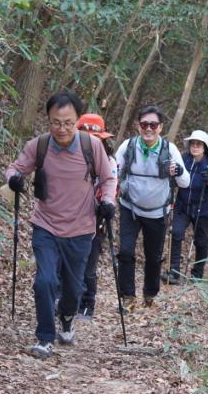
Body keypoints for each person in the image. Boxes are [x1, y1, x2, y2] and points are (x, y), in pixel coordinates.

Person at [5, 91, 116, 359]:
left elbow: (108, 178)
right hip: (46, 225)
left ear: (77, 120)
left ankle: (67, 318)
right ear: (48, 120)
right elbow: (15, 168)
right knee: (44, 281)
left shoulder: (91, 146)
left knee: (73, 289)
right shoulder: (39, 146)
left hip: (81, 230)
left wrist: (108, 201)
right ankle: (45, 337)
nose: (62, 128)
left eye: (68, 123)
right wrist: (14, 179)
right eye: (56, 122)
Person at [115, 105, 190, 310]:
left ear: (160, 127)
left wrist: (179, 171)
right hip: (129, 208)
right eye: (144, 124)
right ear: (138, 126)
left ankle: (149, 294)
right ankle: (127, 296)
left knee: (153, 257)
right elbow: (113, 171)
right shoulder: (128, 146)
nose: (148, 128)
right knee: (126, 252)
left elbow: (185, 182)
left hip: (158, 213)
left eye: (153, 125)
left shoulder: (170, 149)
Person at [161, 130, 208, 284]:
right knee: (176, 233)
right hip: (182, 206)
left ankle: (197, 274)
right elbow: (172, 177)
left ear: (205, 147)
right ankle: (173, 272)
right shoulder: (183, 160)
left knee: (200, 241)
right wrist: (173, 175)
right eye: (193, 144)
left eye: (199, 144)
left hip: (203, 209)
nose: (195, 147)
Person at [73, 113, 118, 320]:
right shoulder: (68, 156)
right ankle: (62, 299)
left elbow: (111, 185)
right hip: (69, 214)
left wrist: (107, 204)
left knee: (89, 263)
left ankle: (87, 304)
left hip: (96, 214)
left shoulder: (109, 161)